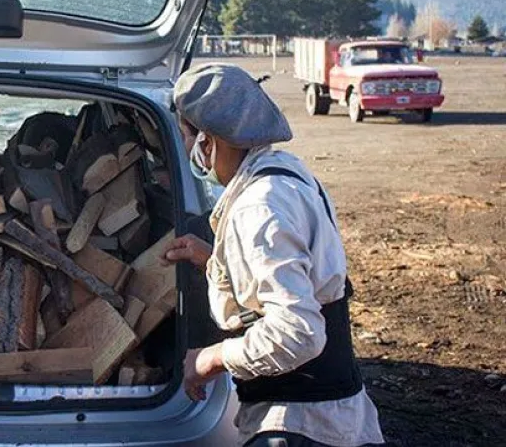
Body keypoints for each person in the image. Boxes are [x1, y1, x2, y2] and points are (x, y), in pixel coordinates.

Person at [161, 63, 385, 447]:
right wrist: (216, 261)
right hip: (326, 415)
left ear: (208, 142)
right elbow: (298, 273)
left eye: (185, 136)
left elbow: (298, 333)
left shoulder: (258, 208)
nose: (185, 148)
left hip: (300, 426)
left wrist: (209, 359)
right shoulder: (287, 173)